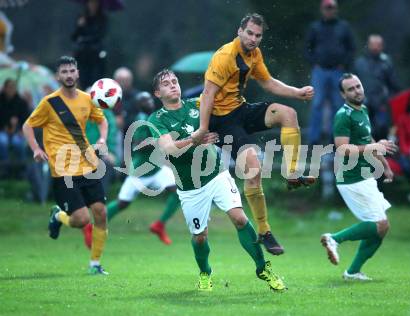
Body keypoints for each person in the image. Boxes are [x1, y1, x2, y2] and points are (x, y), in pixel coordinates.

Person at [148, 69, 286, 291]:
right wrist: (196, 139)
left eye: (175, 81)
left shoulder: (197, 105)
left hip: (217, 174)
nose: (173, 85)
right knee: (200, 237)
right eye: (166, 84)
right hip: (190, 187)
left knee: (240, 219)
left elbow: (227, 107)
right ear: (157, 93)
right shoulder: (157, 119)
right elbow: (169, 149)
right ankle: (205, 272)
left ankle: (263, 268)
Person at [192, 13, 314, 256]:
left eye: (258, 35)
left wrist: (297, 92)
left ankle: (291, 173)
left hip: (240, 109)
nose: (254, 39)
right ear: (240, 31)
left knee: (288, 114)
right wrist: (203, 129)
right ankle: (264, 230)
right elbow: (207, 94)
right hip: (221, 121)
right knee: (254, 168)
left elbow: (268, 83)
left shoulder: (255, 54)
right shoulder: (225, 56)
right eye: (250, 33)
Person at [22, 56, 109, 275]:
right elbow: (28, 126)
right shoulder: (50, 102)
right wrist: (36, 149)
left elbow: (102, 120)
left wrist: (102, 139)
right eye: (64, 72)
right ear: (58, 76)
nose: (69, 75)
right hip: (62, 170)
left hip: (87, 164)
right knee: (81, 220)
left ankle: (95, 265)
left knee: (101, 213)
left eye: (72, 71)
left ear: (77, 73)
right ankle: (58, 216)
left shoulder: (86, 99)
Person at [321, 73, 397, 281]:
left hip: (364, 176)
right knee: (378, 224)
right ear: (343, 94)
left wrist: (384, 163)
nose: (357, 91)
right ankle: (334, 238)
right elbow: (342, 148)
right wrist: (374, 146)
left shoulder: (362, 110)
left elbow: (368, 140)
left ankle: (353, 272)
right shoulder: (342, 115)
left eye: (358, 86)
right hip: (351, 178)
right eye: (351, 89)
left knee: (382, 227)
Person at [82, 91, 180, 248]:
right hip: (140, 170)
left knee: (179, 191)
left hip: (156, 169)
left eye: (148, 99)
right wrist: (160, 142)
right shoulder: (141, 118)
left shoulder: (154, 117)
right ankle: (91, 226)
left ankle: (159, 225)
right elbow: (138, 144)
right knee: (122, 203)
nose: (148, 102)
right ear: (138, 104)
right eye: (143, 100)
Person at [304, 0, 356, 145]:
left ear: (336, 9)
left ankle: (336, 138)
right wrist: (314, 63)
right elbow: (307, 48)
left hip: (337, 72)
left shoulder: (343, 27)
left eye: (332, 8)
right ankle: (313, 139)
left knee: (338, 105)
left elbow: (352, 48)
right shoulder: (315, 27)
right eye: (327, 8)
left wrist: (344, 65)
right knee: (316, 104)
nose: (329, 11)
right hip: (320, 71)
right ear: (322, 9)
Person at [354, 34, 400, 140]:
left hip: (381, 103)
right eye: (373, 44)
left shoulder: (387, 63)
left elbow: (394, 84)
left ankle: (382, 154)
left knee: (382, 128)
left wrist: (389, 99)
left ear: (382, 46)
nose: (375, 47)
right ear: (368, 45)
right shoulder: (359, 63)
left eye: (378, 45)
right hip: (363, 103)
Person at [71, 0, 107, 89]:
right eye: (91, 2)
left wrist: (85, 39)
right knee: (82, 79)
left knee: (95, 80)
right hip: (82, 55)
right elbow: (74, 37)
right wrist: (80, 26)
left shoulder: (102, 19)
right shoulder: (81, 17)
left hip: (95, 55)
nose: (93, 5)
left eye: (95, 3)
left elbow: (100, 35)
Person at [0, 79, 29, 171]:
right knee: (2, 142)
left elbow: (27, 120)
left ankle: (21, 169)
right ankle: (5, 168)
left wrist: (21, 130)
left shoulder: (21, 102)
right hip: (2, 131)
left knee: (18, 144)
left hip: (18, 132)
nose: (11, 89)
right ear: (4, 88)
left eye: (13, 87)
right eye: (9, 87)